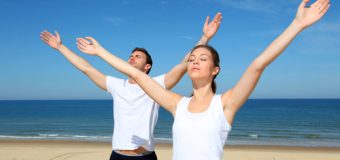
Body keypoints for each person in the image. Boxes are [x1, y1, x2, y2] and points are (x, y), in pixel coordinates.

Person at [76, 0, 331, 159]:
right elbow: (134, 74)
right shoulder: (177, 104)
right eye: (193, 58)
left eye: (203, 58)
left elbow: (257, 65)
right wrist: (100, 52)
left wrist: (297, 25)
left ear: (215, 70)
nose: (195, 60)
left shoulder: (226, 104)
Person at [40, 12, 223, 160]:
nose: (132, 57)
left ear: (147, 66)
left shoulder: (157, 84)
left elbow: (184, 64)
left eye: (138, 56)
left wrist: (205, 37)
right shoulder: (117, 85)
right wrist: (61, 47)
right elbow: (86, 68)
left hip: (145, 157)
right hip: (118, 156)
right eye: (131, 55)